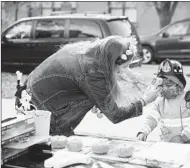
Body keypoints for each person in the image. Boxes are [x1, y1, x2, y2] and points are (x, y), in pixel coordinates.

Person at [18, 36, 160, 136]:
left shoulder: (89, 50)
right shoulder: (93, 72)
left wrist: (129, 75)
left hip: (27, 97)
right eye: (124, 67)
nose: (123, 71)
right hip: (41, 114)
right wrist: (144, 101)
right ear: (112, 63)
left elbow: (73, 82)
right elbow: (115, 115)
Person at [137, 60, 190, 143]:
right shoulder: (160, 102)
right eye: (162, 85)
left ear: (180, 85)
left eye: (169, 85)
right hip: (170, 145)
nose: (165, 88)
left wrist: (184, 136)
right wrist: (143, 131)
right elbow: (152, 119)